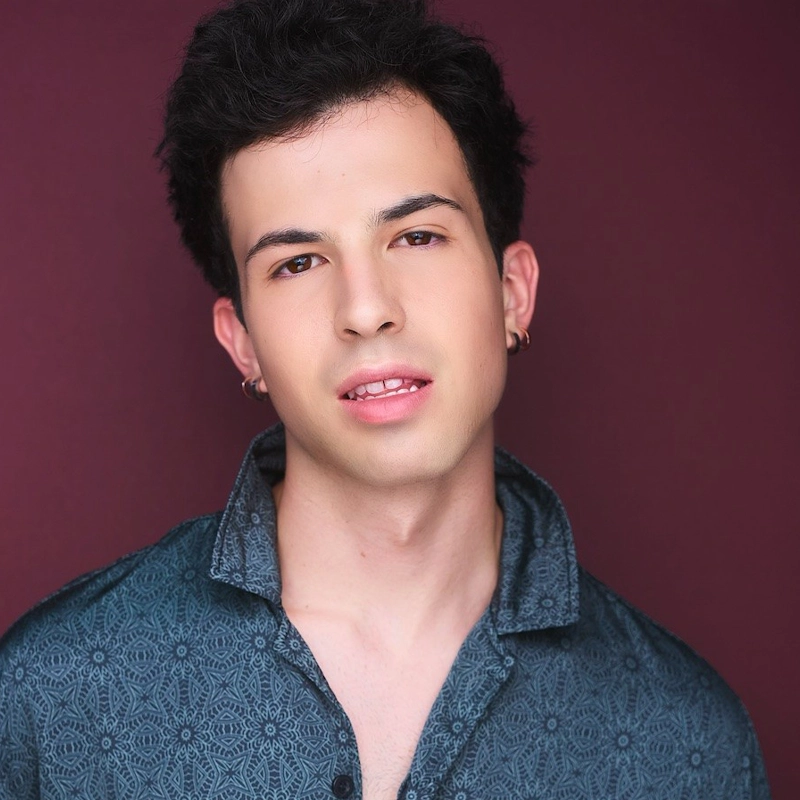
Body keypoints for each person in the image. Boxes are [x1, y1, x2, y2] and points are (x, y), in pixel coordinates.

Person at [0, 0, 770, 797]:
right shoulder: (49, 703)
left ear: (511, 293)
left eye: (416, 236)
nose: (366, 308)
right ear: (242, 342)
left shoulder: (685, 744)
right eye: (297, 262)